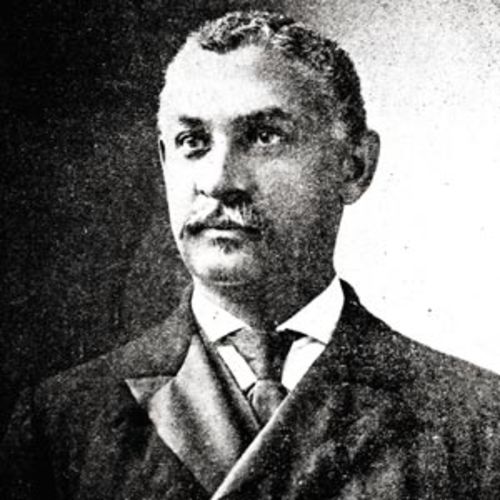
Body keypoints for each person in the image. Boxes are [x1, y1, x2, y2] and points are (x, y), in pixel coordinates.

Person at [2, 10, 500, 500]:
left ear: (354, 166)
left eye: (263, 137)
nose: (219, 181)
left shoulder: (476, 421)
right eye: (193, 142)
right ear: (164, 161)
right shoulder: (60, 424)